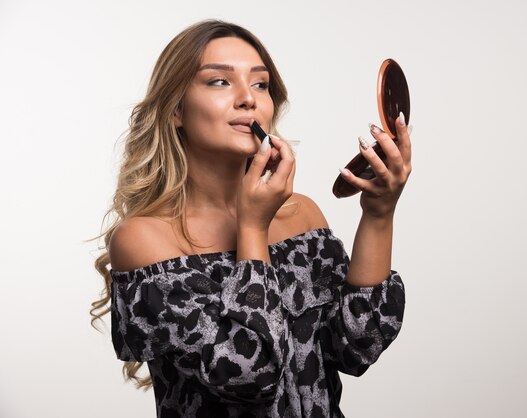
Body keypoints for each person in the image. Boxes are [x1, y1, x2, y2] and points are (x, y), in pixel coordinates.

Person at [91, 19, 411, 418]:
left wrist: (379, 213)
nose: (248, 99)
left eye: (260, 84)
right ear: (176, 109)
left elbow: (358, 345)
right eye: (220, 82)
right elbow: (251, 375)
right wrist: (252, 227)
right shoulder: (145, 240)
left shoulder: (302, 215)